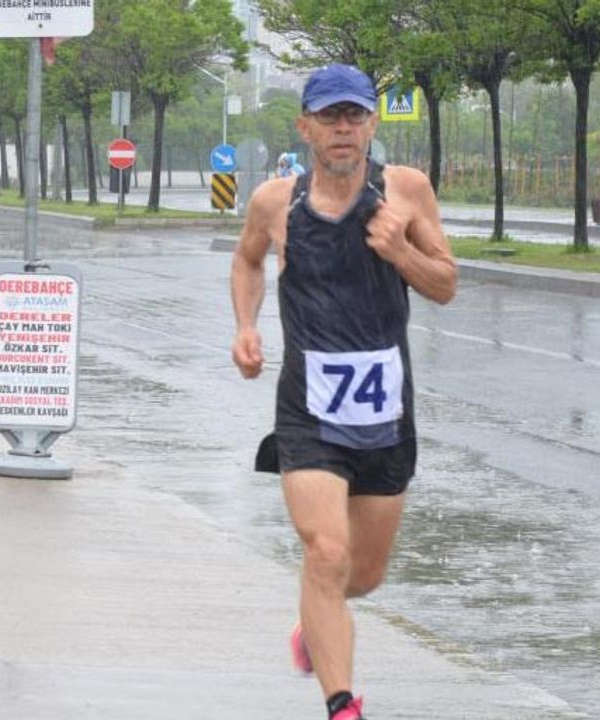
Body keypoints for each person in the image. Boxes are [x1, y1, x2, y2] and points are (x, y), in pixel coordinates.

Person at [229, 64, 457, 720]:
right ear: (305, 127)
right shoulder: (275, 203)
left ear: (372, 125)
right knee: (325, 554)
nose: (342, 129)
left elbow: (445, 284)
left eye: (354, 116)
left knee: (362, 574)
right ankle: (342, 705)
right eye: (329, 117)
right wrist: (245, 327)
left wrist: (401, 253)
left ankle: (316, 621)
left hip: (387, 414)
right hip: (309, 412)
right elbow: (247, 260)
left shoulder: (406, 192)